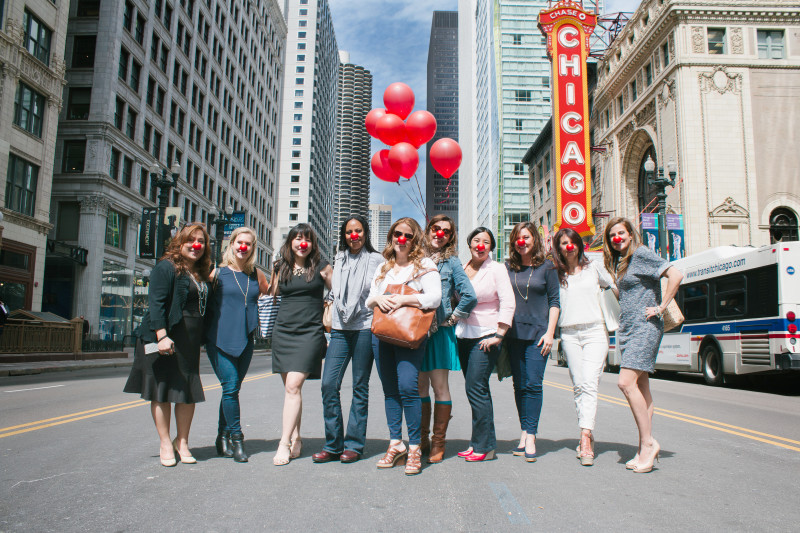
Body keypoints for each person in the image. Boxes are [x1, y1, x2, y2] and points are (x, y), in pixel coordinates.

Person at [123, 223, 212, 467]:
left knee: (187, 393)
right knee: (161, 391)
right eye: (191, 240)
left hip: (189, 343)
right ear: (179, 242)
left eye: (201, 241)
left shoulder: (201, 272)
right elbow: (156, 304)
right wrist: (162, 336)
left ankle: (182, 442)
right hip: (163, 339)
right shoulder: (166, 266)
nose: (196, 245)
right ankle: (165, 443)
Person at [604, 217, 683, 473]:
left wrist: (661, 307)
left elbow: (676, 274)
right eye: (612, 235)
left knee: (625, 383)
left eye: (620, 233)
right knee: (641, 386)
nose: (616, 238)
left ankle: (649, 443)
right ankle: (643, 447)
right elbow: (628, 294)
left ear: (630, 234)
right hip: (628, 328)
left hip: (645, 327)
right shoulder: (623, 261)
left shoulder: (641, 254)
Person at [366, 217, 441, 475]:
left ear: (415, 239)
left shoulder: (425, 265)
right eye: (398, 233)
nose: (402, 239)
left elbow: (435, 298)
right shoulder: (383, 266)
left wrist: (402, 299)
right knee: (390, 390)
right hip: (381, 333)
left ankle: (415, 447)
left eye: (408, 235)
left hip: (409, 334)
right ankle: (396, 443)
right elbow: (368, 300)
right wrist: (378, 299)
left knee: (408, 387)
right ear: (391, 235)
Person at [312, 215, 383, 464]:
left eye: (359, 230)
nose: (354, 235)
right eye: (349, 231)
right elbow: (334, 289)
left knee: (359, 387)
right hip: (340, 328)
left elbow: (383, 289)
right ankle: (333, 444)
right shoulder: (339, 258)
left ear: (365, 233)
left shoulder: (377, 260)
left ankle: (353, 445)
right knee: (328, 385)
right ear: (344, 235)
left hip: (364, 327)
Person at [551, 227, 617, 466]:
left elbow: (616, 288)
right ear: (558, 248)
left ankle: (585, 437)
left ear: (579, 244)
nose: (569, 246)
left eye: (572, 242)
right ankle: (586, 431)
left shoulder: (594, 268)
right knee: (579, 385)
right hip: (569, 334)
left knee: (589, 383)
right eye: (563, 243)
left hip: (595, 331)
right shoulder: (556, 274)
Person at [206, 227, 270, 463]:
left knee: (231, 391)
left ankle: (221, 437)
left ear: (253, 248)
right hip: (219, 340)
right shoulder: (217, 274)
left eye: (248, 244)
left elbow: (272, 295)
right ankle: (237, 439)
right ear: (231, 244)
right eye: (239, 242)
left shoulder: (257, 275)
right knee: (231, 388)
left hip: (245, 341)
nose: (243, 247)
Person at [271, 223, 333, 466]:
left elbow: (339, 294)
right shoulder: (280, 266)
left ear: (312, 243)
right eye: (297, 238)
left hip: (310, 332)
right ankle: (296, 437)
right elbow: (271, 294)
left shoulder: (322, 266)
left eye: (306, 238)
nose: (302, 243)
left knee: (293, 386)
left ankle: (283, 443)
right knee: (291, 390)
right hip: (283, 331)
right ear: (290, 242)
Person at [418, 215, 477, 463]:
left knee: (439, 387)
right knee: (419, 388)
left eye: (446, 231)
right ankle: (421, 439)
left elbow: (469, 295)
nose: (439, 234)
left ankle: (438, 442)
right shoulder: (415, 258)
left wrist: (452, 319)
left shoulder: (451, 262)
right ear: (428, 230)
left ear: (451, 237)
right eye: (436, 228)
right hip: (415, 332)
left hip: (439, 332)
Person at [455, 228, 515, 462]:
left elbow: (508, 302)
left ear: (491, 247)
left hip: (487, 334)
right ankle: (479, 442)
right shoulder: (462, 268)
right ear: (469, 244)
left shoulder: (497, 269)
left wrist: (500, 334)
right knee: (477, 390)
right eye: (476, 240)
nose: (480, 245)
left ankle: (485, 446)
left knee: (476, 387)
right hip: (464, 334)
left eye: (486, 242)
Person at [505, 222, 560, 463]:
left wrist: (550, 333)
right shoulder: (507, 268)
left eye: (526, 237)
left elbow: (555, 302)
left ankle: (531, 435)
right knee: (519, 385)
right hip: (514, 334)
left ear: (534, 239)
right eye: (518, 238)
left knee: (533, 384)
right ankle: (524, 430)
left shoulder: (548, 267)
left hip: (539, 335)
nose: (522, 242)